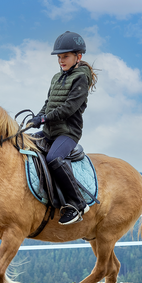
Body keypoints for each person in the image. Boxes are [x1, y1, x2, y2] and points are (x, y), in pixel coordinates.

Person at [28, 31, 98, 225]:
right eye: (59, 57)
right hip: (50, 131)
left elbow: (68, 109)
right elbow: (48, 103)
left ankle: (77, 203)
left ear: (78, 56)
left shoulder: (81, 79)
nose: (61, 61)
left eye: (65, 56)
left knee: (54, 158)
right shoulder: (56, 78)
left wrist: (43, 119)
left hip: (68, 133)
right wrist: (38, 116)